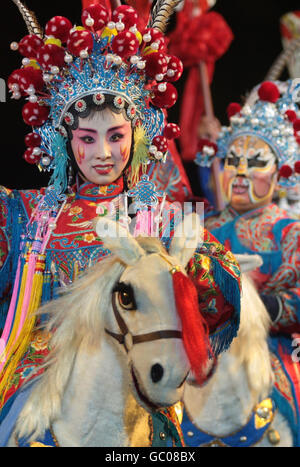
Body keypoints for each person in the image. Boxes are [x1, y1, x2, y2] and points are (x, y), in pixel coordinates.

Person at [0, 1, 241, 447]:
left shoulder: (167, 216)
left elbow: (222, 296)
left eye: (115, 136)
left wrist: (183, 272)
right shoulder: (25, 214)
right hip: (40, 372)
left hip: (141, 378)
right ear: (64, 140)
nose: (103, 153)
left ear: (139, 134)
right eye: (87, 139)